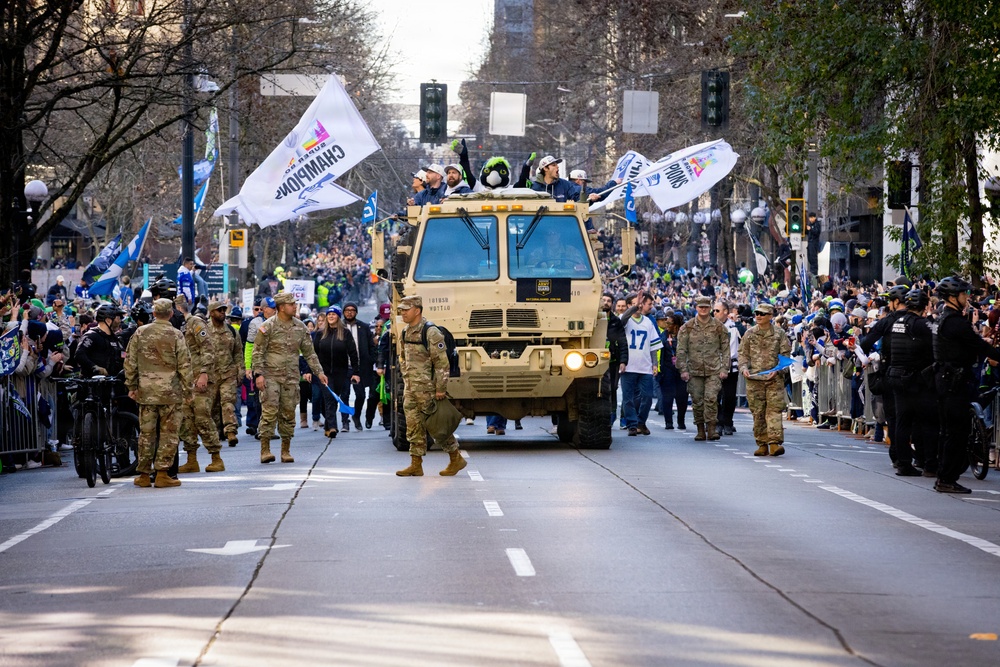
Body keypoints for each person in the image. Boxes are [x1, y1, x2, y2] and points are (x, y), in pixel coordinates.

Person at [931, 277, 1000, 493]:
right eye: (963, 294)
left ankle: (944, 476)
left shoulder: (943, 319)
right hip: (955, 383)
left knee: (948, 432)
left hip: (945, 381)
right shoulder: (955, 322)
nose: (967, 298)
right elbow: (979, 345)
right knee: (956, 433)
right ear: (953, 297)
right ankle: (947, 478)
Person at [394, 295, 467, 477]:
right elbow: (403, 358)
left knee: (437, 426)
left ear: (417, 310)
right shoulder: (405, 332)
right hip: (411, 388)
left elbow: (442, 363)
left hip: (428, 389)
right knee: (413, 426)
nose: (402, 312)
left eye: (406, 309)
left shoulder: (431, 332)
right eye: (401, 309)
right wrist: (406, 380)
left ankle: (455, 458)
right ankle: (415, 464)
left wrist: (440, 388)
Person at [252, 292, 328, 463]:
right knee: (269, 413)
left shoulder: (300, 327)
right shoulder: (267, 327)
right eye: (291, 304)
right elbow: (258, 352)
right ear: (281, 307)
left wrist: (319, 372)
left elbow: (310, 353)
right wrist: (259, 374)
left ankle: (285, 450)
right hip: (270, 376)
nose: (295, 306)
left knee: (288, 413)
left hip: (291, 378)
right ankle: (265, 449)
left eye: (295, 303)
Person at [125, 298, 192, 488]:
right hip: (170, 393)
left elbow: (130, 362)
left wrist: (131, 386)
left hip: (146, 392)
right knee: (169, 434)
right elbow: (185, 365)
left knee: (146, 434)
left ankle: (144, 474)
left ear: (153, 314)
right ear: (171, 314)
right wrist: (188, 390)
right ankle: (162, 473)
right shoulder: (176, 334)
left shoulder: (140, 332)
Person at [886, 288, 936, 477]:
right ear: (924, 306)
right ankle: (930, 464)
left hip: (897, 376)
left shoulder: (897, 322)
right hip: (916, 379)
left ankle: (903, 463)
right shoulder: (923, 324)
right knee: (928, 422)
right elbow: (938, 338)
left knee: (902, 422)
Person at [177, 297, 226, 473]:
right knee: (187, 420)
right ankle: (191, 460)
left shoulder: (195, 323)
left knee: (202, 418)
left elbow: (207, 348)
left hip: (199, 379)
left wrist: (204, 373)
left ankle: (216, 457)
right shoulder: (178, 326)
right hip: (185, 381)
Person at [738, 303, 792, 456]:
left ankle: (774, 443)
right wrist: (744, 369)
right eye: (757, 313)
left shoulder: (779, 334)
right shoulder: (749, 334)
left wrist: (778, 370)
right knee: (758, 413)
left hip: (774, 379)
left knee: (774, 411)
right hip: (754, 380)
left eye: (762, 313)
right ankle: (762, 444)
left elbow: (785, 356)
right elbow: (743, 354)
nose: (759, 316)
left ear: (770, 316)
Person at [676, 295, 730, 441]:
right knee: (697, 400)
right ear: (696, 308)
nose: (704, 309)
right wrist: (683, 369)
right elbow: (681, 350)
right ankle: (700, 429)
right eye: (701, 307)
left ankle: (711, 428)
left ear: (710, 308)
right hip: (694, 370)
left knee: (711, 399)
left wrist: (725, 368)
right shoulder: (687, 327)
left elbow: (725, 349)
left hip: (714, 369)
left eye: (706, 307)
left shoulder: (719, 327)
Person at [619, 292, 663, 436]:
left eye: (639, 303)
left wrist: (655, 364)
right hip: (628, 365)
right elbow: (624, 318)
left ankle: (641, 422)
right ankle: (631, 424)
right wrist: (633, 307)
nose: (637, 306)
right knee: (628, 398)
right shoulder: (624, 319)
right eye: (634, 304)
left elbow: (653, 345)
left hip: (645, 366)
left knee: (647, 396)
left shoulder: (647, 322)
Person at [313, 306, 360, 438]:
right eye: (329, 314)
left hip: (341, 372)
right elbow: (312, 353)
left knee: (335, 399)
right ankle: (333, 426)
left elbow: (353, 353)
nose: (331, 316)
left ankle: (328, 427)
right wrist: (311, 370)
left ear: (338, 317)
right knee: (328, 398)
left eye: (334, 314)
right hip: (324, 372)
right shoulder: (320, 334)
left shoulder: (345, 333)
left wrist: (356, 372)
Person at [243, 296, 276, 437]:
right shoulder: (255, 323)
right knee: (260, 397)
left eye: (275, 308)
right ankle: (260, 428)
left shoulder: (278, 321)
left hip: (274, 364)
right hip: (259, 365)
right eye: (271, 308)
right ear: (263, 309)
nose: (274, 310)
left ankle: (270, 429)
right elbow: (249, 346)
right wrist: (248, 366)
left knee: (274, 398)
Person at [342, 302, 377, 430]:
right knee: (344, 395)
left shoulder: (364, 327)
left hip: (359, 367)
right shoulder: (339, 327)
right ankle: (345, 421)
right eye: (347, 310)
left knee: (361, 395)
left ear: (356, 312)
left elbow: (371, 346)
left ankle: (356, 416)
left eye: (352, 310)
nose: (349, 312)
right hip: (343, 367)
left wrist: (371, 359)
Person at [600, 293, 629, 426]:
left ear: (612, 304)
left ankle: (611, 415)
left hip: (612, 362)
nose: (606, 303)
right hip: (595, 361)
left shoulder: (615, 321)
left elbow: (623, 342)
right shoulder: (591, 318)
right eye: (604, 300)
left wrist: (623, 361)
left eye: (609, 301)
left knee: (612, 388)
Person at [74, 303, 125, 377]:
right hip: (93, 384)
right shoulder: (92, 335)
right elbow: (79, 355)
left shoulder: (116, 339)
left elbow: (123, 356)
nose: (120, 321)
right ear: (108, 320)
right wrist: (95, 367)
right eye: (118, 318)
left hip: (112, 384)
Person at [715, 300, 741, 436]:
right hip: (714, 366)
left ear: (725, 312)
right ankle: (718, 422)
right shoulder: (711, 326)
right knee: (714, 395)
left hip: (731, 366)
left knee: (729, 396)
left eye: (717, 311)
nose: (714, 313)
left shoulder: (734, 326)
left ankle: (728, 422)